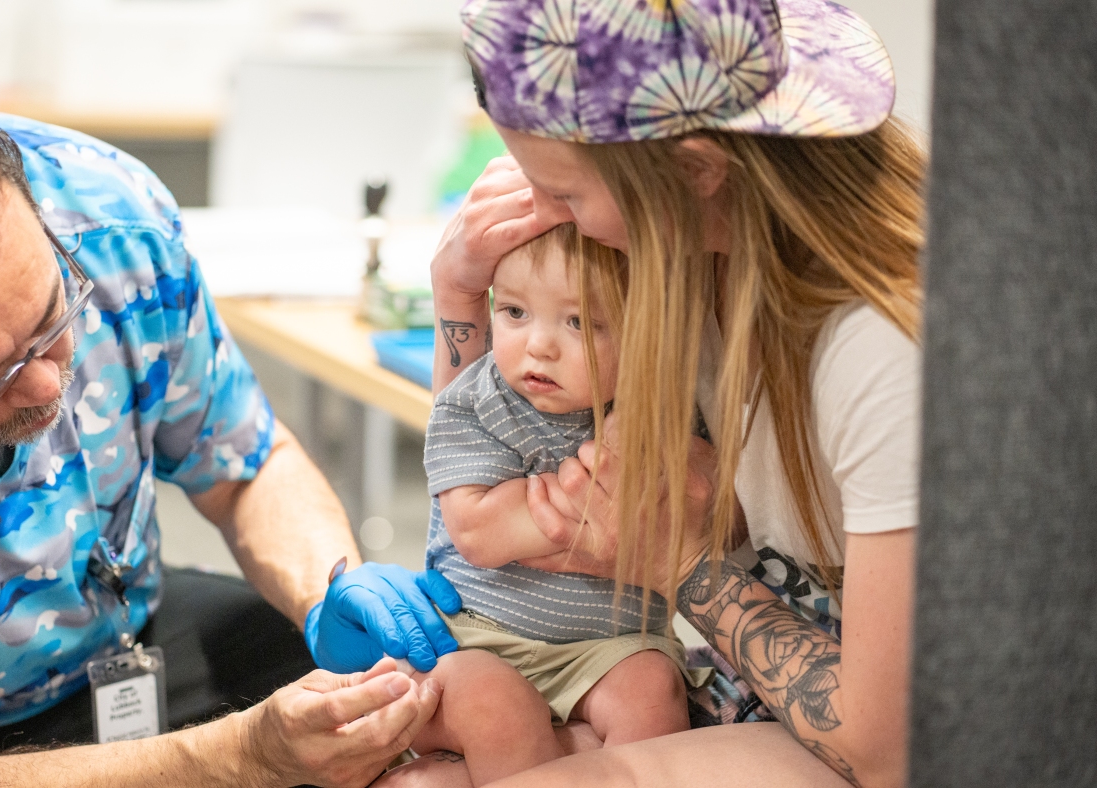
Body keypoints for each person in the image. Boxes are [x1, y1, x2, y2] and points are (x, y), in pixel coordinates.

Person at [0, 86, 459, 788]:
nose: (46, 387)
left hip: (109, 634)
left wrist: (325, 594)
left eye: (52, 318)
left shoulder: (112, 216)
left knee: (366, 701)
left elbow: (245, 467)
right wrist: (245, 758)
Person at [384, 0, 923, 785]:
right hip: (752, 683)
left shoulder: (881, 348)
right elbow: (493, 439)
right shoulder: (683, 259)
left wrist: (683, 559)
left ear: (697, 172)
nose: (544, 216)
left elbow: (882, 745)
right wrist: (459, 293)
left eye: (565, 194)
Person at [411, 224, 704, 785]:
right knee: (497, 707)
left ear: (648, 335)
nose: (539, 346)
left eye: (580, 322)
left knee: (653, 691)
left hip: (610, 647)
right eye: (514, 312)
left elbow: (691, 516)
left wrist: (541, 503)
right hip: (475, 637)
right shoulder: (474, 400)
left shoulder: (665, 412)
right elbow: (478, 532)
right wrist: (611, 493)